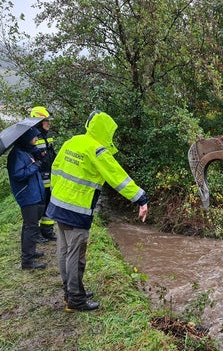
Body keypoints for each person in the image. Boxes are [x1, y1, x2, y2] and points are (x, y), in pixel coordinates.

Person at [46, 110, 148, 312]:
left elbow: (55, 168)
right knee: (76, 255)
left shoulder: (73, 141)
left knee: (64, 251)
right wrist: (140, 198)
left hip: (58, 203)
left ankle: (71, 291)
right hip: (76, 210)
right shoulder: (97, 150)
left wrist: (57, 196)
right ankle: (75, 299)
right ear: (105, 131)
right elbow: (117, 177)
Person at [7, 126, 47, 270]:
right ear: (26, 138)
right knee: (31, 227)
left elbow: (30, 160)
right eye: (34, 137)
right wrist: (35, 165)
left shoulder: (24, 151)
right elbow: (18, 174)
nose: (37, 139)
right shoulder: (17, 154)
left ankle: (30, 253)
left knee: (29, 225)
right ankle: (27, 262)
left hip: (33, 193)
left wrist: (38, 156)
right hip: (27, 195)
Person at [30, 106, 57, 242]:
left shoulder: (48, 135)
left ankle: (47, 230)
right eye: (46, 120)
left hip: (50, 176)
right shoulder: (31, 137)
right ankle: (36, 233)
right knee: (38, 207)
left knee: (49, 204)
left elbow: (52, 154)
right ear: (38, 121)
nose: (48, 123)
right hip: (38, 178)